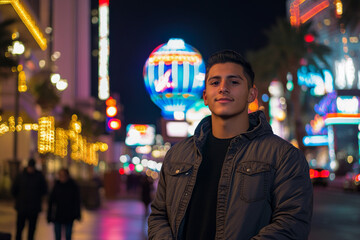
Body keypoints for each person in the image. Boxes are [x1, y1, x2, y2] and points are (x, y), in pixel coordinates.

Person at [148, 50, 313, 239]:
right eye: (215, 82)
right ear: (205, 96)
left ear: (251, 94)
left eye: (234, 82)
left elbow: (292, 224)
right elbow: (159, 216)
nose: (223, 88)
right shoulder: (177, 155)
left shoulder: (284, 156)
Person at [11, 158, 47, 240]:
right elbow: (14, 190)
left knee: (31, 230)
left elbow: (44, 190)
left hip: (33, 208)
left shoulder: (38, 176)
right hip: (22, 207)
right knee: (20, 229)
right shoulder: (21, 176)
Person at [47, 168, 81, 240]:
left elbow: (77, 201)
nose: (62, 177)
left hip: (69, 215)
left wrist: (77, 214)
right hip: (58, 215)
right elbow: (51, 201)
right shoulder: (57, 186)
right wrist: (49, 215)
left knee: (68, 235)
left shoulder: (72, 186)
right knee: (57, 235)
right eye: (60, 175)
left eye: (63, 175)